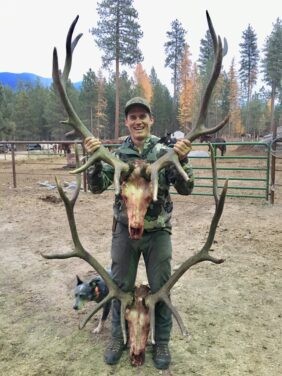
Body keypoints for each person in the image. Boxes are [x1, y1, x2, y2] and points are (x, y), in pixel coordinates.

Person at [84, 97, 194, 370]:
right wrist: (94, 159)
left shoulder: (164, 151)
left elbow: (187, 188)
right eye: (132, 117)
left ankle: (163, 342)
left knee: (162, 290)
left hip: (158, 233)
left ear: (151, 120)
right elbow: (97, 187)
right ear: (127, 122)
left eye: (142, 116)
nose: (138, 121)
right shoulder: (118, 153)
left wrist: (183, 158)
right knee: (119, 288)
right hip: (124, 231)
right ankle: (118, 339)